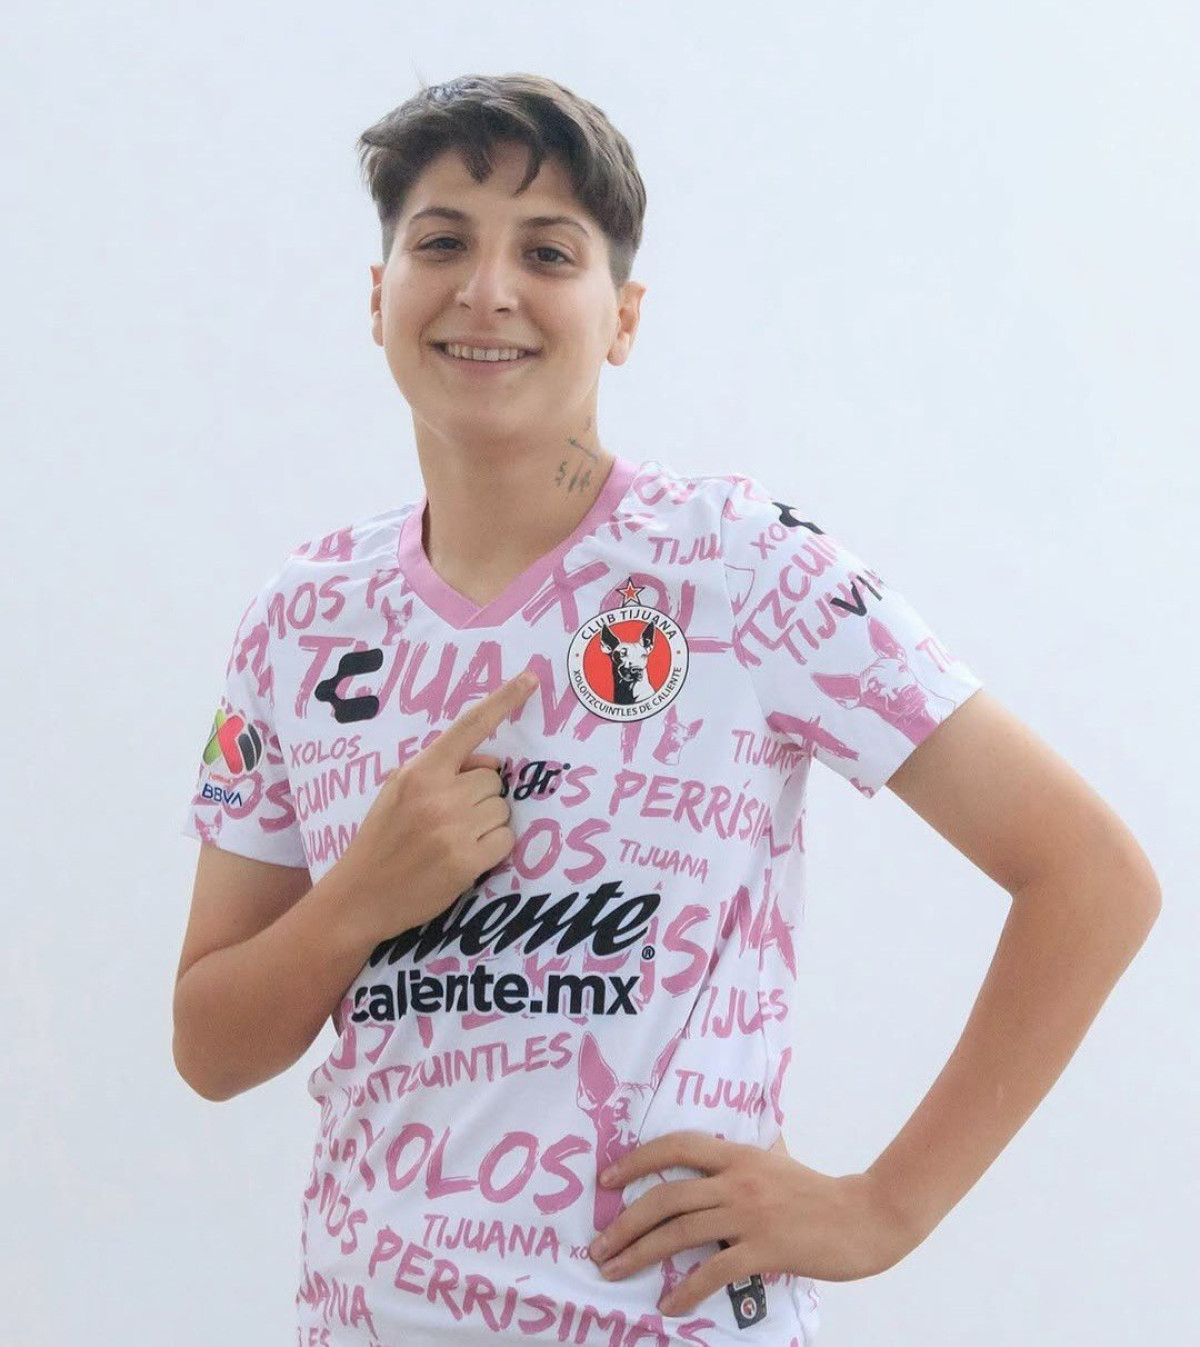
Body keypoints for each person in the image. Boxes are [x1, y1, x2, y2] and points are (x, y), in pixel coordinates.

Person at [174, 73, 1162, 1346]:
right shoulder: (303, 617)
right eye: (442, 244)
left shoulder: (738, 566)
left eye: (547, 252)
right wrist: (363, 895)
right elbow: (211, 1047)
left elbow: (1093, 876)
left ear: (622, 317)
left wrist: (885, 1209)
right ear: (378, 298)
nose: (487, 290)